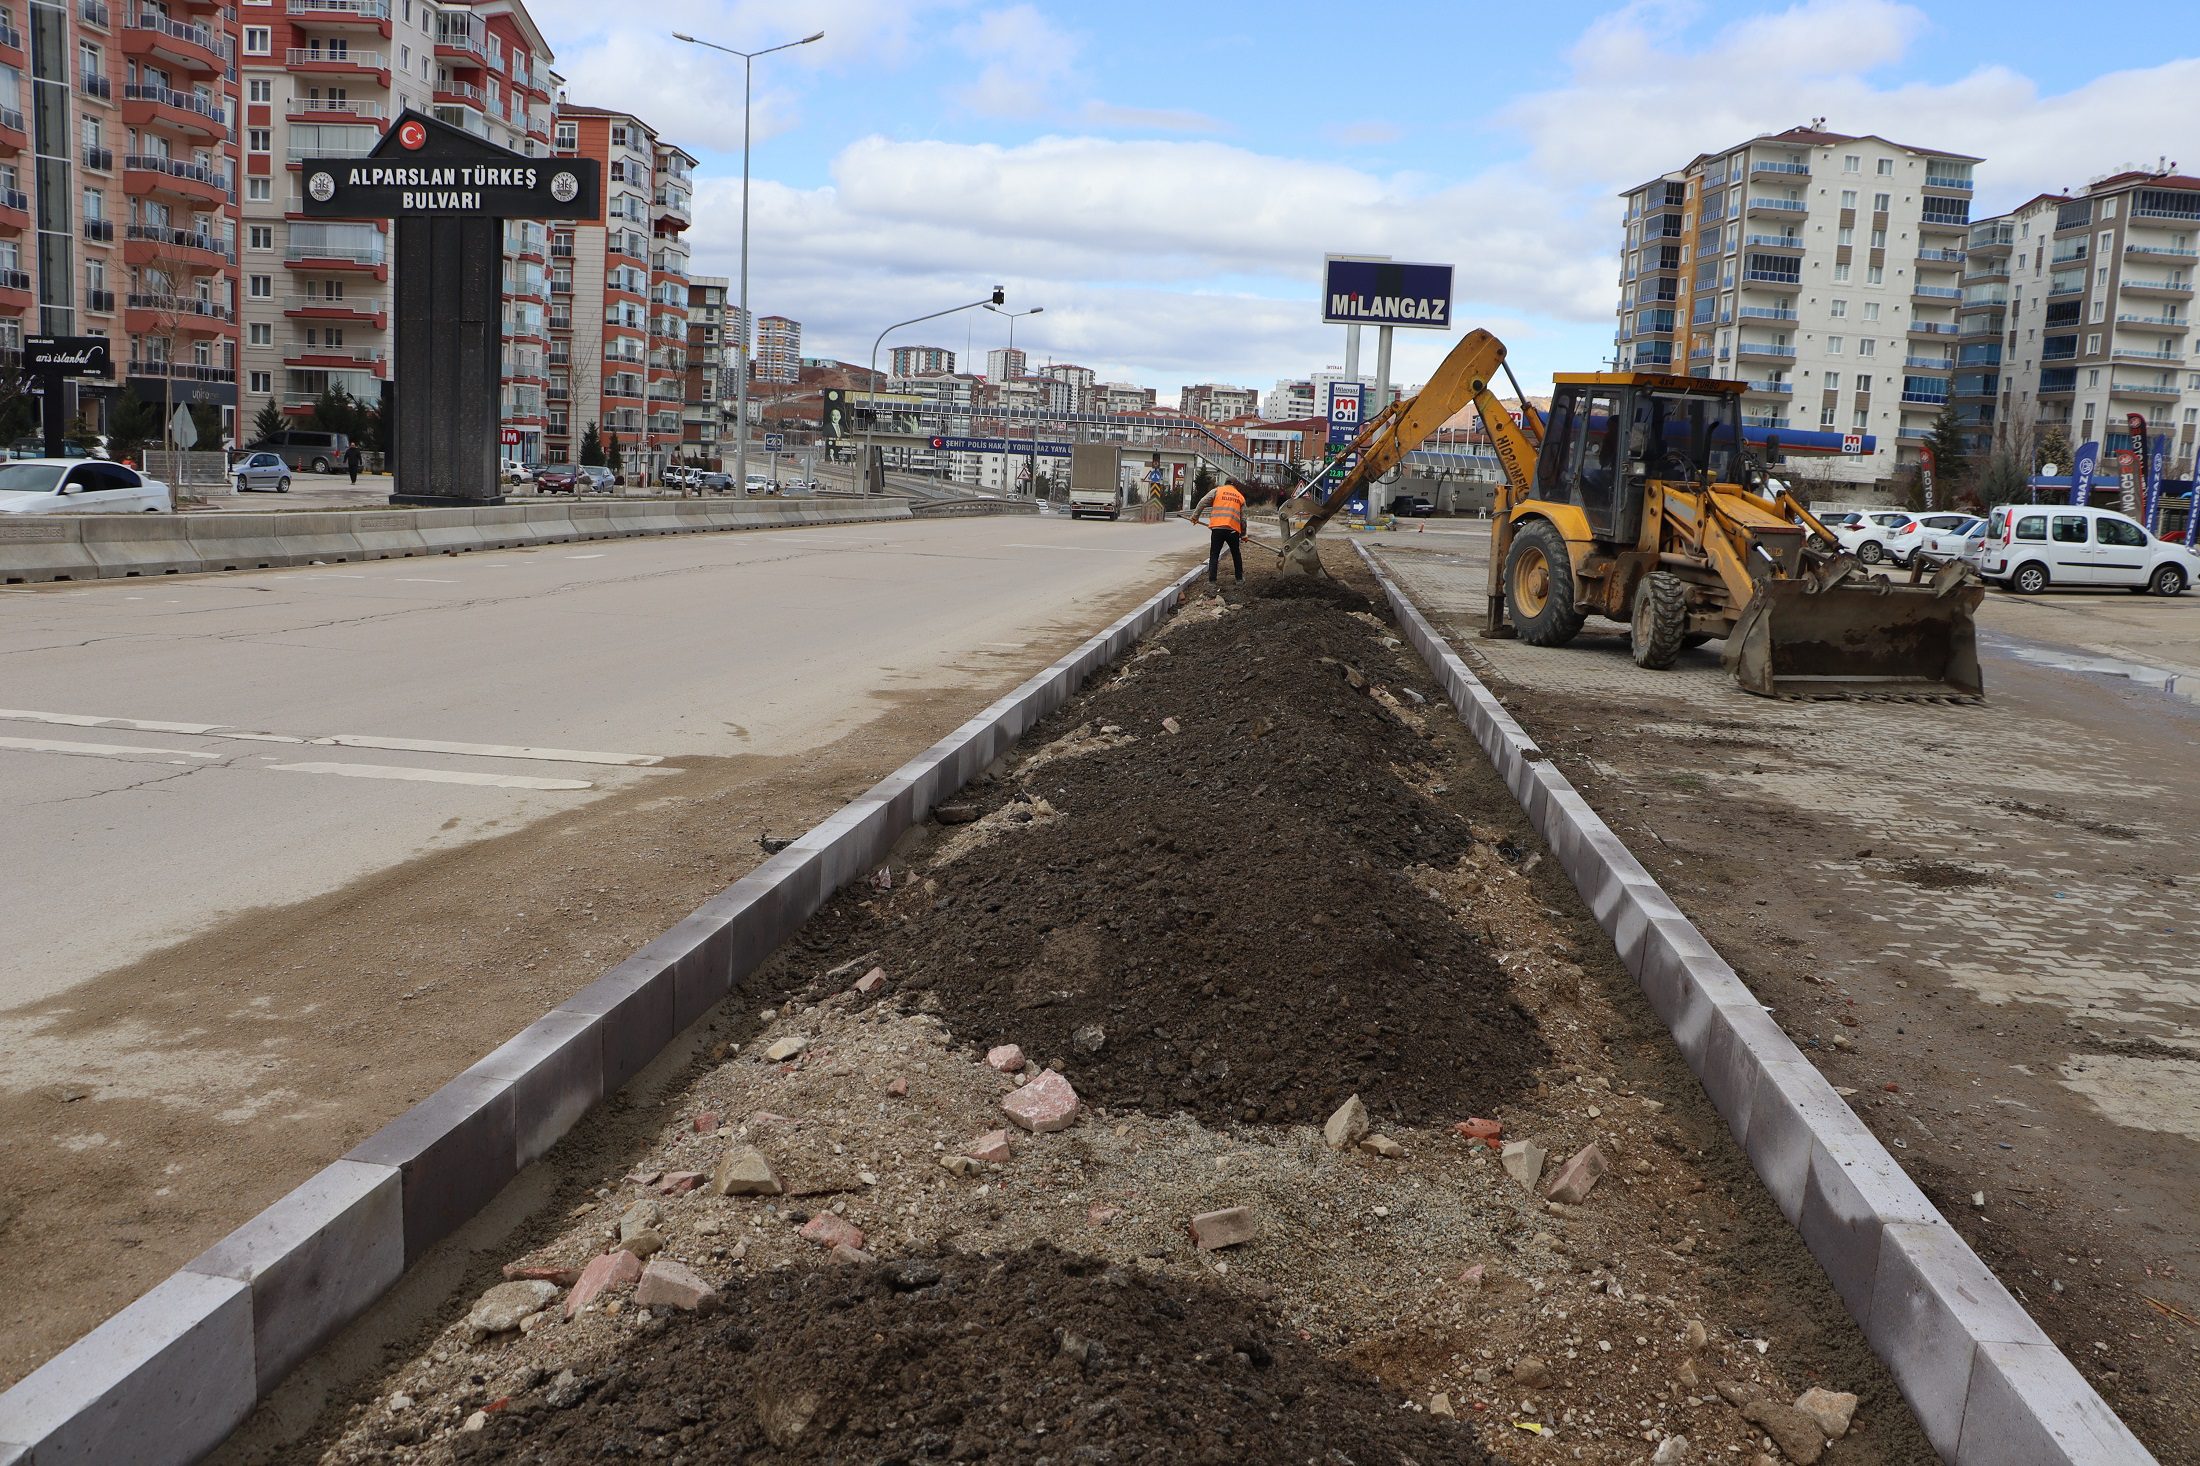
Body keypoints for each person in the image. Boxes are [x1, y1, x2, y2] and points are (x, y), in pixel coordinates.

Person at [1190, 477, 1247, 584]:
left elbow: (1202, 502)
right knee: (1236, 554)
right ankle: (1239, 579)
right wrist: (1244, 534)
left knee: (1214, 554)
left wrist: (1195, 516)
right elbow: (1243, 519)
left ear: (1225, 483)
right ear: (1235, 485)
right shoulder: (1240, 496)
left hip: (1217, 529)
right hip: (1232, 530)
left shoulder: (1217, 491)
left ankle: (1212, 580)